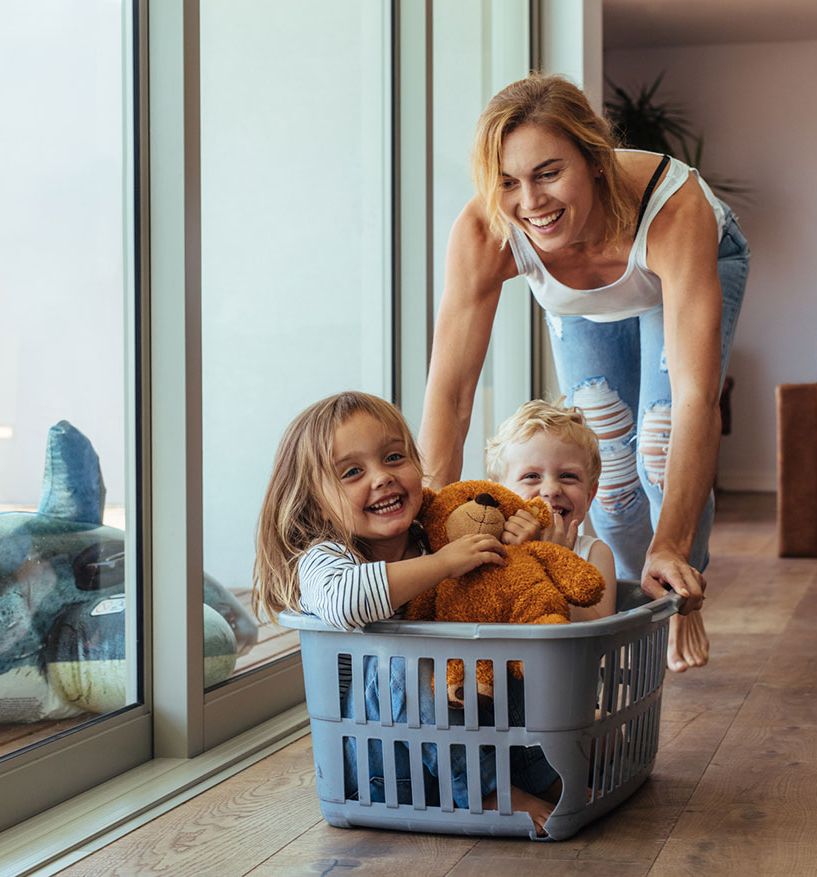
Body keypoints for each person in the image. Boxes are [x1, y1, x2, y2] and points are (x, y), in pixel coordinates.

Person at [418, 73, 749, 672]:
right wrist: (428, 528)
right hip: (587, 303)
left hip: (682, 265)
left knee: (658, 438)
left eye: (548, 173)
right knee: (612, 477)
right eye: (508, 182)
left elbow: (698, 396)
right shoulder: (487, 229)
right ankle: (627, 609)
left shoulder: (673, 207)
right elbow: (452, 391)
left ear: (594, 159)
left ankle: (679, 588)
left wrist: (672, 543)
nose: (531, 203)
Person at [252, 391, 559, 834]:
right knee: (405, 657)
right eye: (353, 472)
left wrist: (518, 545)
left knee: (503, 655)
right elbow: (346, 601)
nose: (382, 478)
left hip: (463, 755)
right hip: (385, 771)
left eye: (394, 457)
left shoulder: (436, 535)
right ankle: (488, 792)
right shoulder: (324, 558)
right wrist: (446, 563)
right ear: (315, 502)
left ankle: (540, 778)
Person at [484, 399, 617, 622]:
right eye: (531, 477)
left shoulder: (594, 554)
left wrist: (553, 562)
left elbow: (598, 633)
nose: (551, 490)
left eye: (568, 476)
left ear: (589, 496)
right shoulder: (487, 547)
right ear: (499, 494)